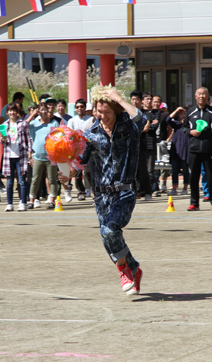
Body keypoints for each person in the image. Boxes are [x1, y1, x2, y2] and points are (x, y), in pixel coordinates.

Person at [59, 86, 145, 295]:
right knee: (108, 238)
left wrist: (118, 97)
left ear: (116, 109)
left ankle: (124, 270)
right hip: (101, 195)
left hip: (124, 191)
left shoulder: (129, 127)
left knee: (109, 229)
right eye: (99, 111)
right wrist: (68, 174)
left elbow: (140, 118)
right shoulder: (91, 133)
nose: (102, 116)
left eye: (107, 112)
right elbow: (80, 160)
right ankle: (133, 268)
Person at [184, 87, 212, 211]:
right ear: (195, 97)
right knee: (193, 177)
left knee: (211, 176)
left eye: (204, 94)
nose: (201, 96)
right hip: (193, 149)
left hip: (208, 149)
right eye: (199, 94)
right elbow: (184, 128)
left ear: (207, 97)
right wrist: (191, 131)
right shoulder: (190, 112)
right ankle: (194, 203)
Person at [1, 102, 32, 211]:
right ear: (7, 112)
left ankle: (23, 202)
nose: (12, 112)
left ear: (17, 112)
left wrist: (30, 151)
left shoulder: (23, 123)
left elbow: (28, 138)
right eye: (10, 111)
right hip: (9, 156)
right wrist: (3, 139)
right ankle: (10, 203)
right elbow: (3, 142)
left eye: (14, 110)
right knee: (9, 182)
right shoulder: (5, 125)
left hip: (21, 156)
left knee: (22, 181)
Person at [28, 104, 59, 209]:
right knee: (35, 179)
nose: (44, 112)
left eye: (45, 110)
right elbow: (22, 125)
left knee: (52, 179)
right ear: (38, 111)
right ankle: (31, 201)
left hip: (51, 156)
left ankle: (52, 201)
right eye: (41, 110)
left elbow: (59, 138)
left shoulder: (54, 123)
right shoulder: (34, 123)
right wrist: (33, 114)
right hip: (37, 155)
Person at [67, 98, 94, 200]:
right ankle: (81, 191)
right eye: (77, 107)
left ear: (85, 108)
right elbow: (69, 135)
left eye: (81, 107)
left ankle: (91, 190)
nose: (79, 109)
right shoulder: (72, 121)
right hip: (76, 150)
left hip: (88, 149)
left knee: (88, 171)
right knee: (77, 173)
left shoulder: (91, 120)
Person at [130, 90, 152, 200]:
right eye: (133, 99)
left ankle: (148, 192)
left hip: (142, 145)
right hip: (130, 145)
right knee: (133, 170)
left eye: (137, 99)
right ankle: (137, 191)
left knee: (143, 169)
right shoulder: (128, 114)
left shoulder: (146, 113)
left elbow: (145, 128)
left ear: (141, 101)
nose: (135, 102)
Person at [167, 107, 190, 196]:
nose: (183, 115)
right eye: (181, 114)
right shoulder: (176, 124)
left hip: (185, 150)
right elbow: (168, 119)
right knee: (175, 170)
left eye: (185, 113)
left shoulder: (189, 125)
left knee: (185, 170)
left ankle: (185, 188)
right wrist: (176, 110)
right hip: (176, 150)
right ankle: (174, 188)